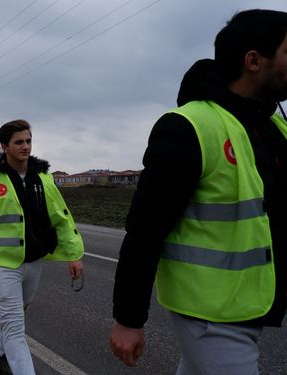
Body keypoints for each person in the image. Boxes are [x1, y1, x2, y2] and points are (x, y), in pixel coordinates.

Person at [110, 9, 287, 374]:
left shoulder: (272, 125)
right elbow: (145, 229)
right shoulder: (189, 126)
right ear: (254, 61)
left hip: (253, 300)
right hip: (210, 312)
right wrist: (128, 319)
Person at [0, 119, 84, 375]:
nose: (26, 147)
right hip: (2, 264)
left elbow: (61, 217)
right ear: (4, 146)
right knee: (15, 327)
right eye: (19, 142)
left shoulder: (43, 179)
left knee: (19, 313)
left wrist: (74, 255)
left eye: (28, 141)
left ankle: (0, 353)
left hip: (33, 262)